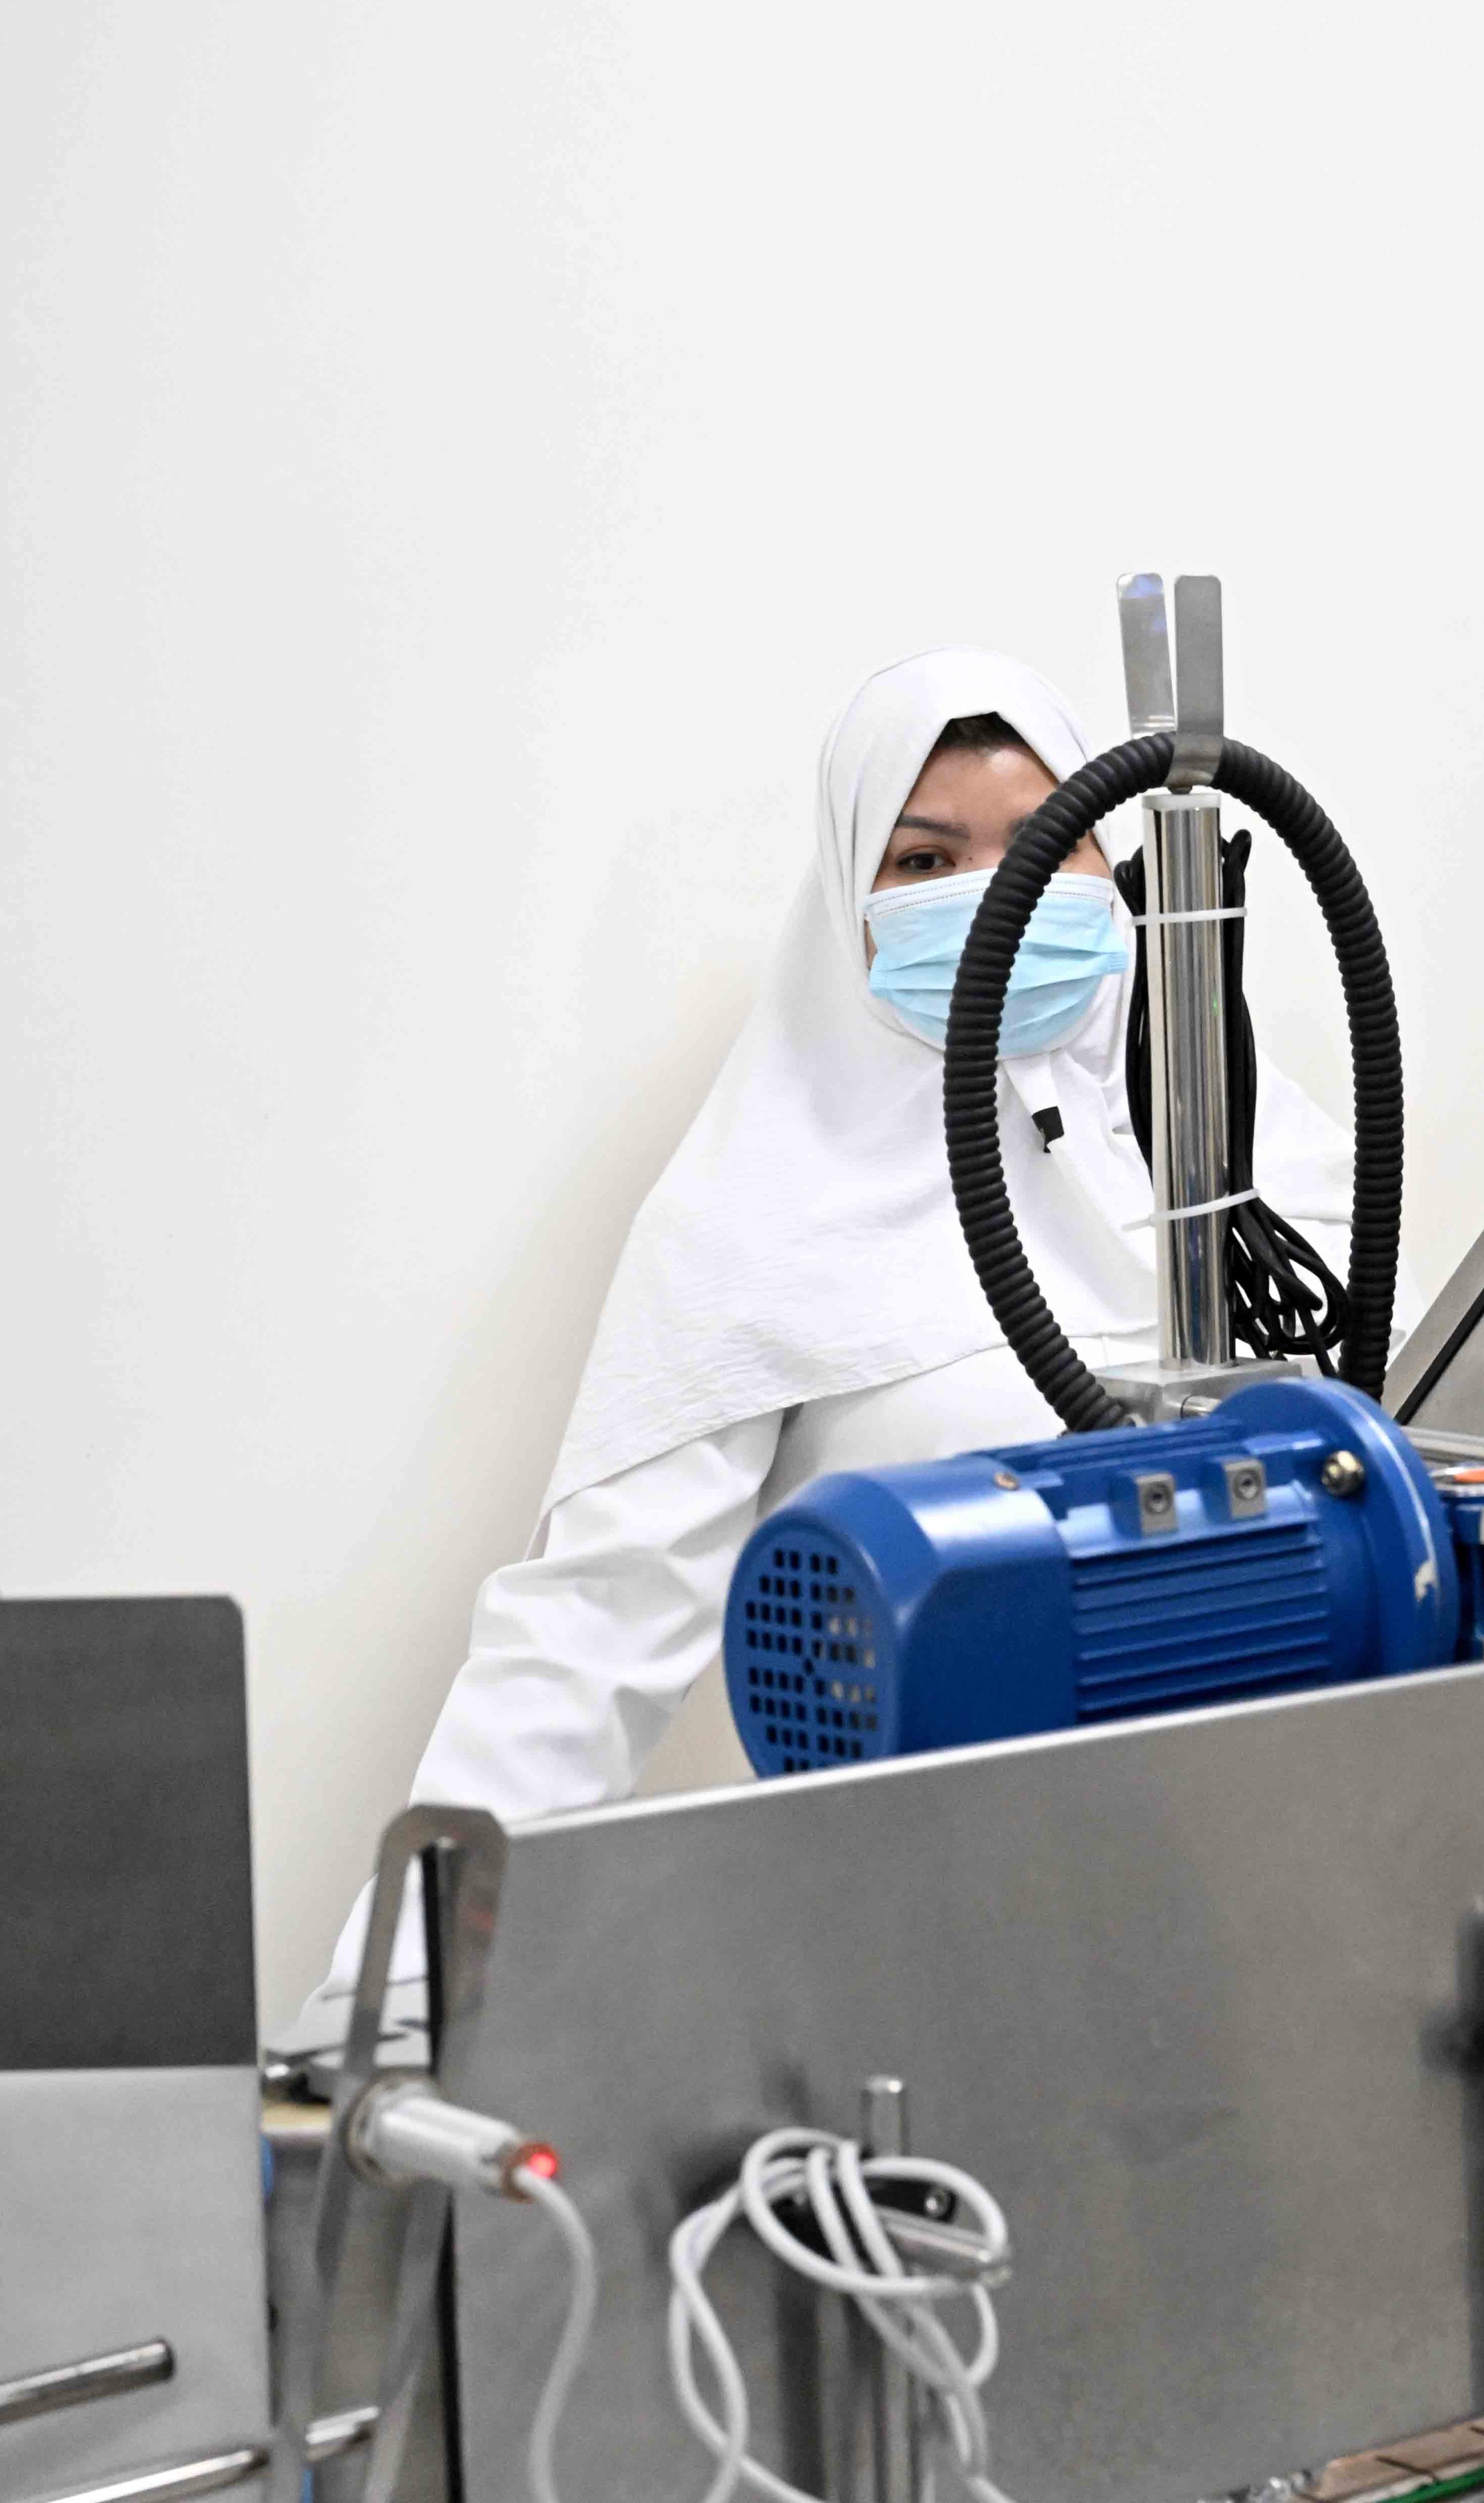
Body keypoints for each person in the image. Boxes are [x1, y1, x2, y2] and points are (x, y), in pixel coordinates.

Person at [300, 647, 1351, 2037]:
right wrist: (386, 2014)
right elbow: (584, 1643)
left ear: (1123, 865)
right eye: (926, 859)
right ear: (848, 901)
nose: (995, 893)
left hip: (1280, 1908)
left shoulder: (1259, 1174)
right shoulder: (753, 1221)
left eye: (1049, 842)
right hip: (925, 1948)